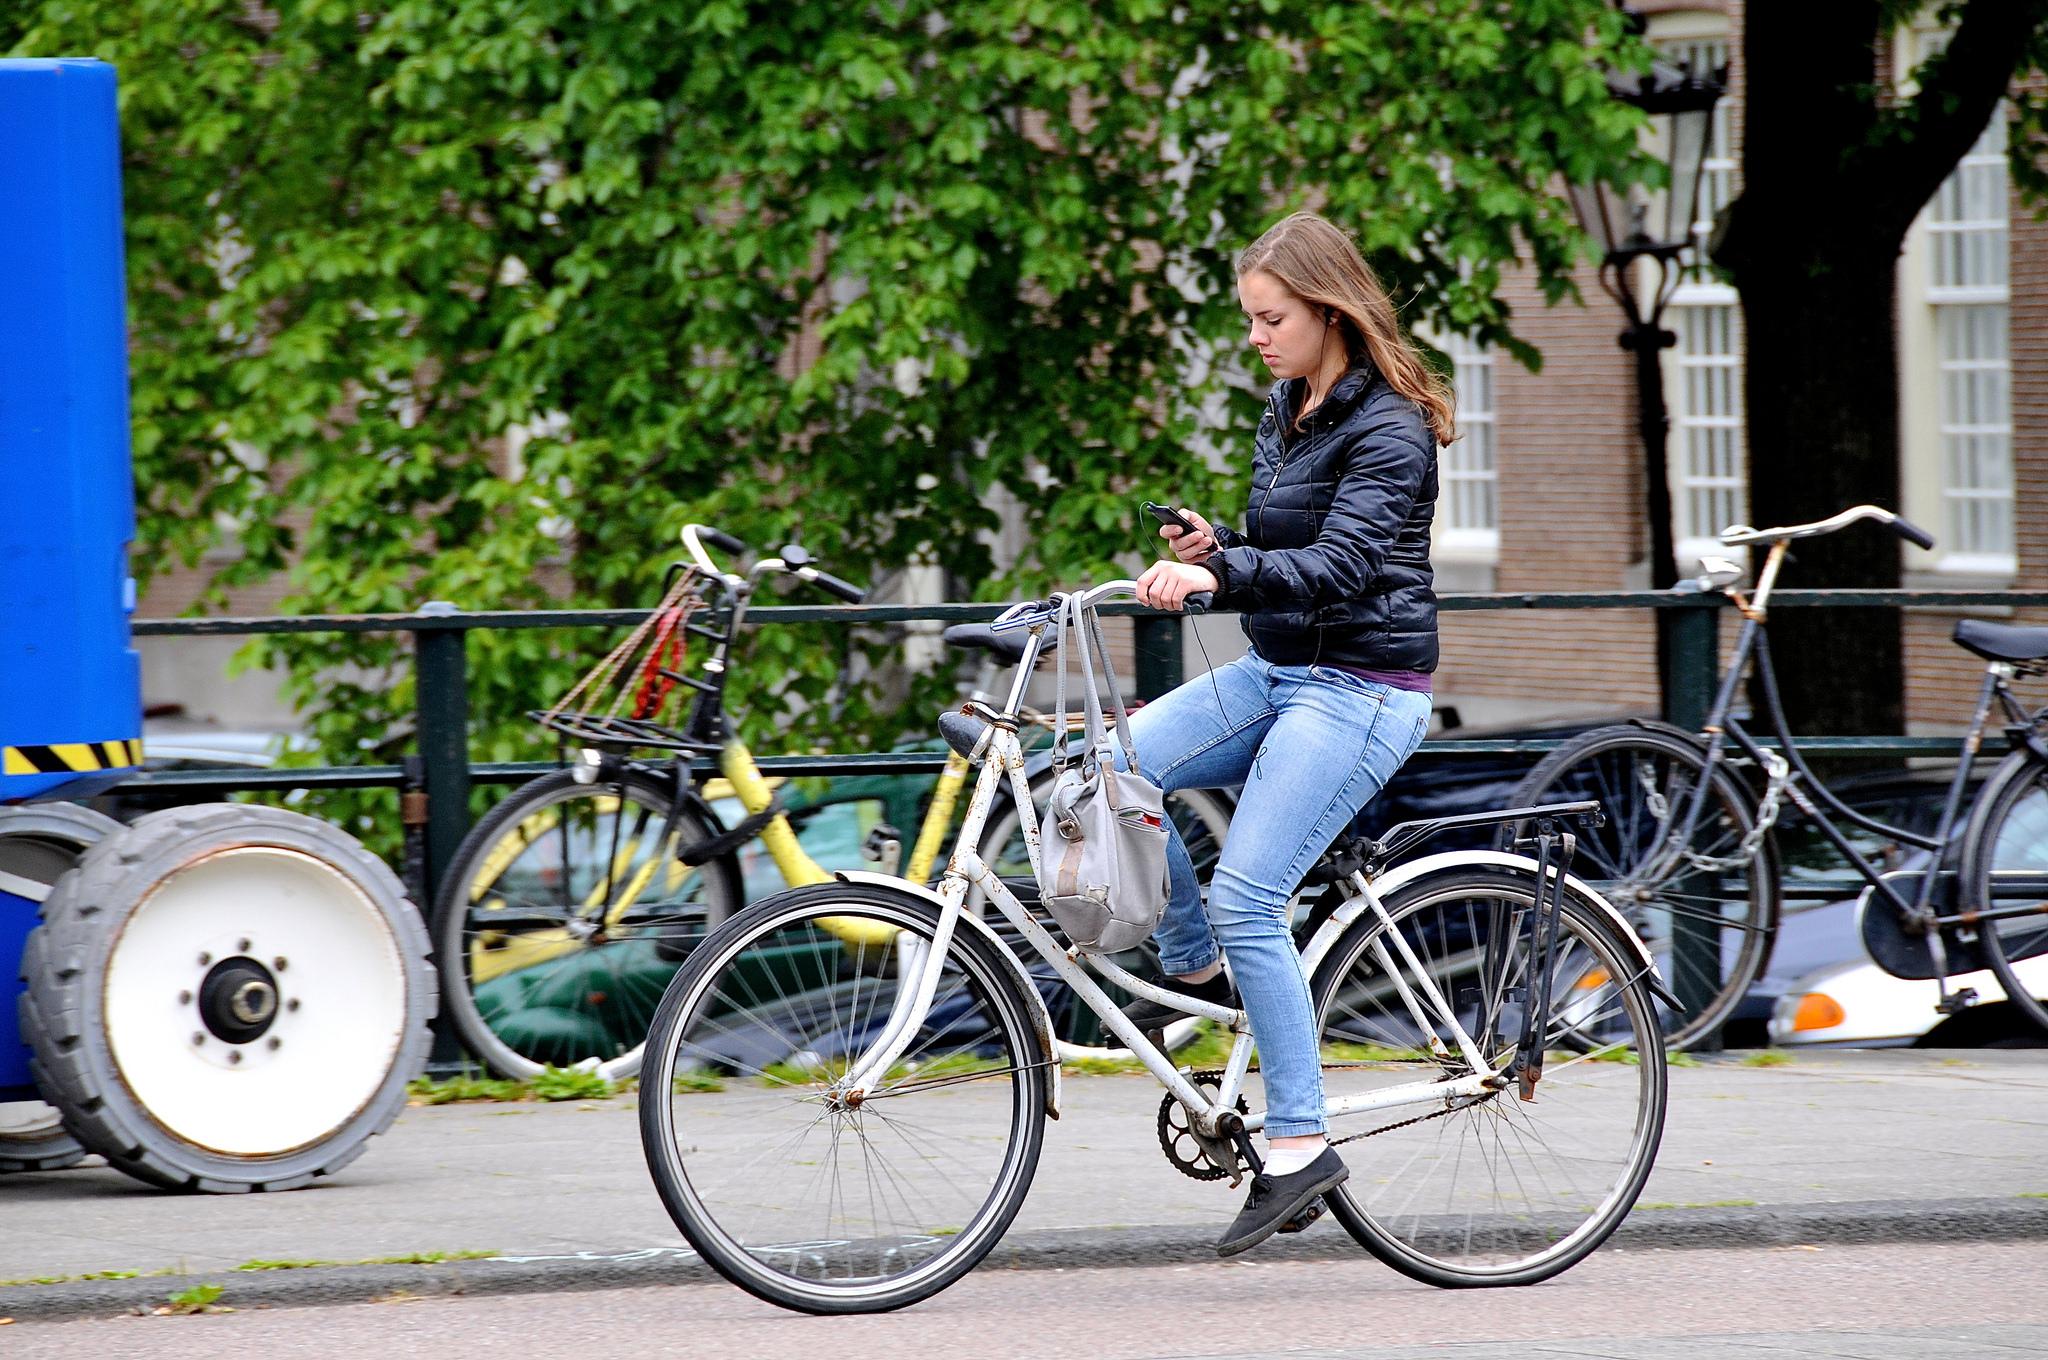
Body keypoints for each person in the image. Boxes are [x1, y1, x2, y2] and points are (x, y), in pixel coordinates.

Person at [1124, 210, 1453, 1256]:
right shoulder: (1289, 405)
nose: (1256, 337)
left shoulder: (1390, 426)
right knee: (1106, 766)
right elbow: (1289, 540)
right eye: (1250, 320)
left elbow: (1344, 567)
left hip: (1358, 687)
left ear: (1326, 308)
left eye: (1271, 318)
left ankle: (1299, 1142)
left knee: (1249, 894)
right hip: (1277, 667)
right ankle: (1194, 974)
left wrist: (1216, 575)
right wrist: (1217, 540)